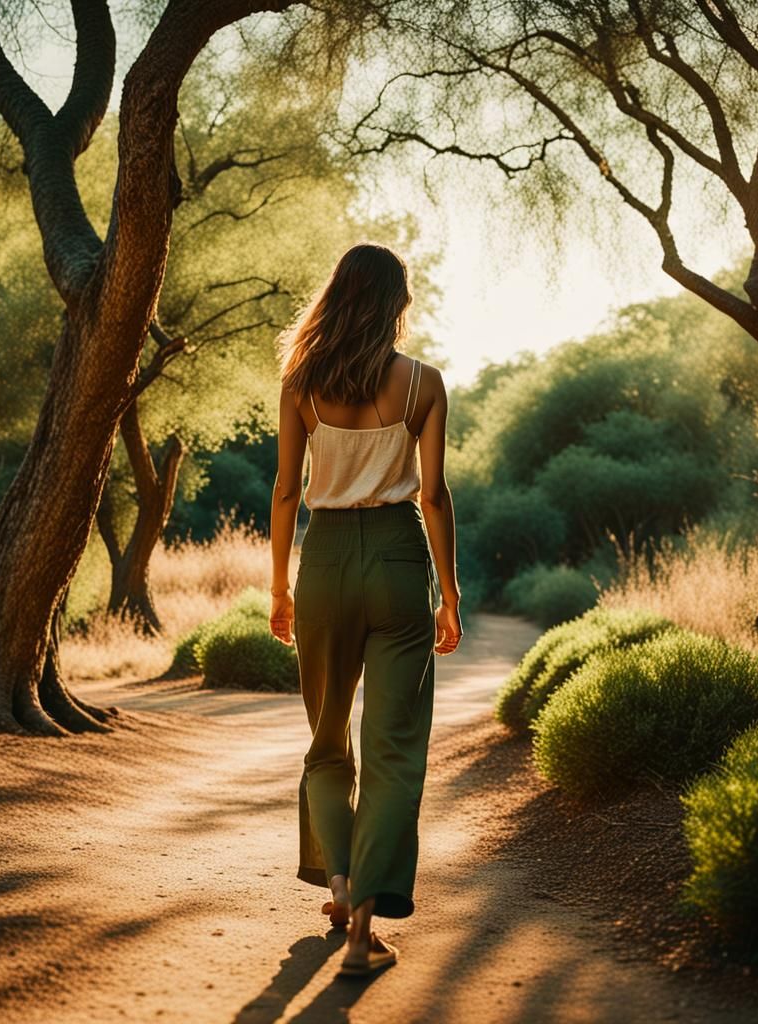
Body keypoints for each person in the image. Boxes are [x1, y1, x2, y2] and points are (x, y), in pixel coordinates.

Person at [268, 242, 463, 978]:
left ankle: (341, 887)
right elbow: (435, 494)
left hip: (321, 561)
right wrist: (450, 590)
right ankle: (362, 933)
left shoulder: (301, 382)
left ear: (337, 297)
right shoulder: (424, 384)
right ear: (396, 305)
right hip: (398, 558)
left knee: (325, 741)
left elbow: (287, 491)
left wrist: (280, 586)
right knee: (393, 749)